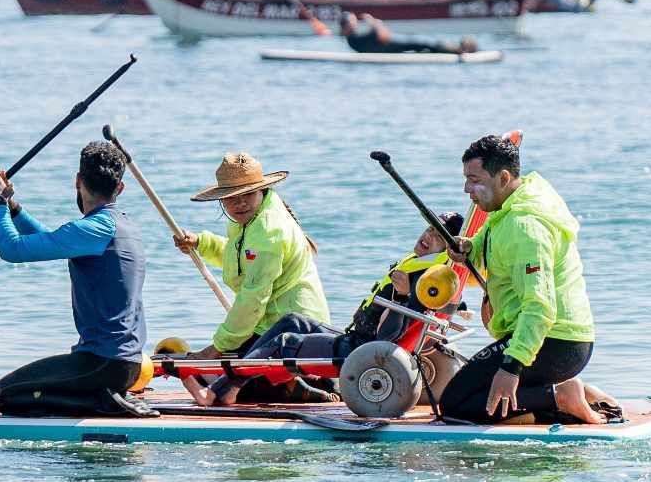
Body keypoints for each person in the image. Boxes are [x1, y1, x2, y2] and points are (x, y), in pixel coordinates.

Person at [184, 213, 465, 407]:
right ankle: (236, 379)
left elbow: (388, 339)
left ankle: (223, 390)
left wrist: (402, 296)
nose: (427, 235)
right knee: (292, 321)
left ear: (445, 247)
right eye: (429, 228)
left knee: (286, 344)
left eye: (437, 236)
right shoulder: (426, 269)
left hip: (364, 351)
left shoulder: (424, 281)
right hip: (354, 338)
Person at [440, 134, 612, 425]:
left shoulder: (526, 228)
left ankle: (560, 397)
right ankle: (576, 395)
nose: (466, 188)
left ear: (503, 177)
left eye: (474, 179)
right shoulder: (515, 201)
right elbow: (495, 237)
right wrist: (471, 246)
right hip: (548, 338)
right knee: (467, 397)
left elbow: (540, 306)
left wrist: (512, 367)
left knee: (456, 405)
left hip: (556, 341)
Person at [0, 142, 152, 418]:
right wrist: (12, 207)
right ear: (120, 188)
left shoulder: (93, 227)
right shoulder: (123, 225)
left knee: (3, 395)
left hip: (103, 363)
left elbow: (12, 249)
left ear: (78, 180)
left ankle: (101, 403)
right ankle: (102, 397)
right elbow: (50, 239)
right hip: (128, 364)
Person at [172, 152, 330, 400]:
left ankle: (293, 386)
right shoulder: (248, 220)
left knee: (215, 377)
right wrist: (202, 243)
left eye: (247, 195)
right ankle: (292, 382)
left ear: (261, 191)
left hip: (290, 329)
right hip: (267, 325)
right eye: (231, 198)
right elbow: (240, 257)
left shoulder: (268, 231)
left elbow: (253, 300)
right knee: (216, 369)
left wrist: (216, 348)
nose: (239, 204)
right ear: (222, 200)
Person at [339, 12, 477, 55]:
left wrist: (376, 25)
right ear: (346, 27)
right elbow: (383, 36)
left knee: (424, 41)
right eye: (352, 21)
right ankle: (460, 49)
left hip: (392, 42)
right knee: (425, 42)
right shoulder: (354, 39)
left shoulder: (354, 38)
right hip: (391, 43)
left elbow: (381, 35)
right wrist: (374, 22)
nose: (356, 23)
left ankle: (459, 47)